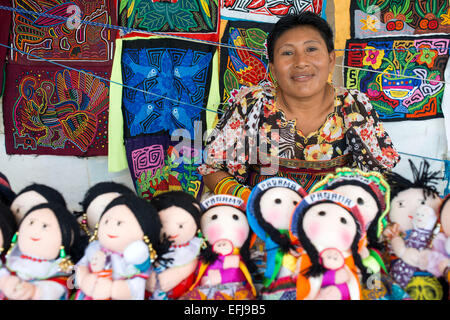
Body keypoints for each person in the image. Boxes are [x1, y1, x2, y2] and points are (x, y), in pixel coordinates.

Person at [198, 11, 400, 202]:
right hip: (263, 227)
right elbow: (212, 169)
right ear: (274, 68)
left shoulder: (353, 106)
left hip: (333, 225)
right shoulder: (252, 104)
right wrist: (251, 201)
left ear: (331, 60)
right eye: (287, 52)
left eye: (311, 49)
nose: (301, 62)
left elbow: (379, 176)